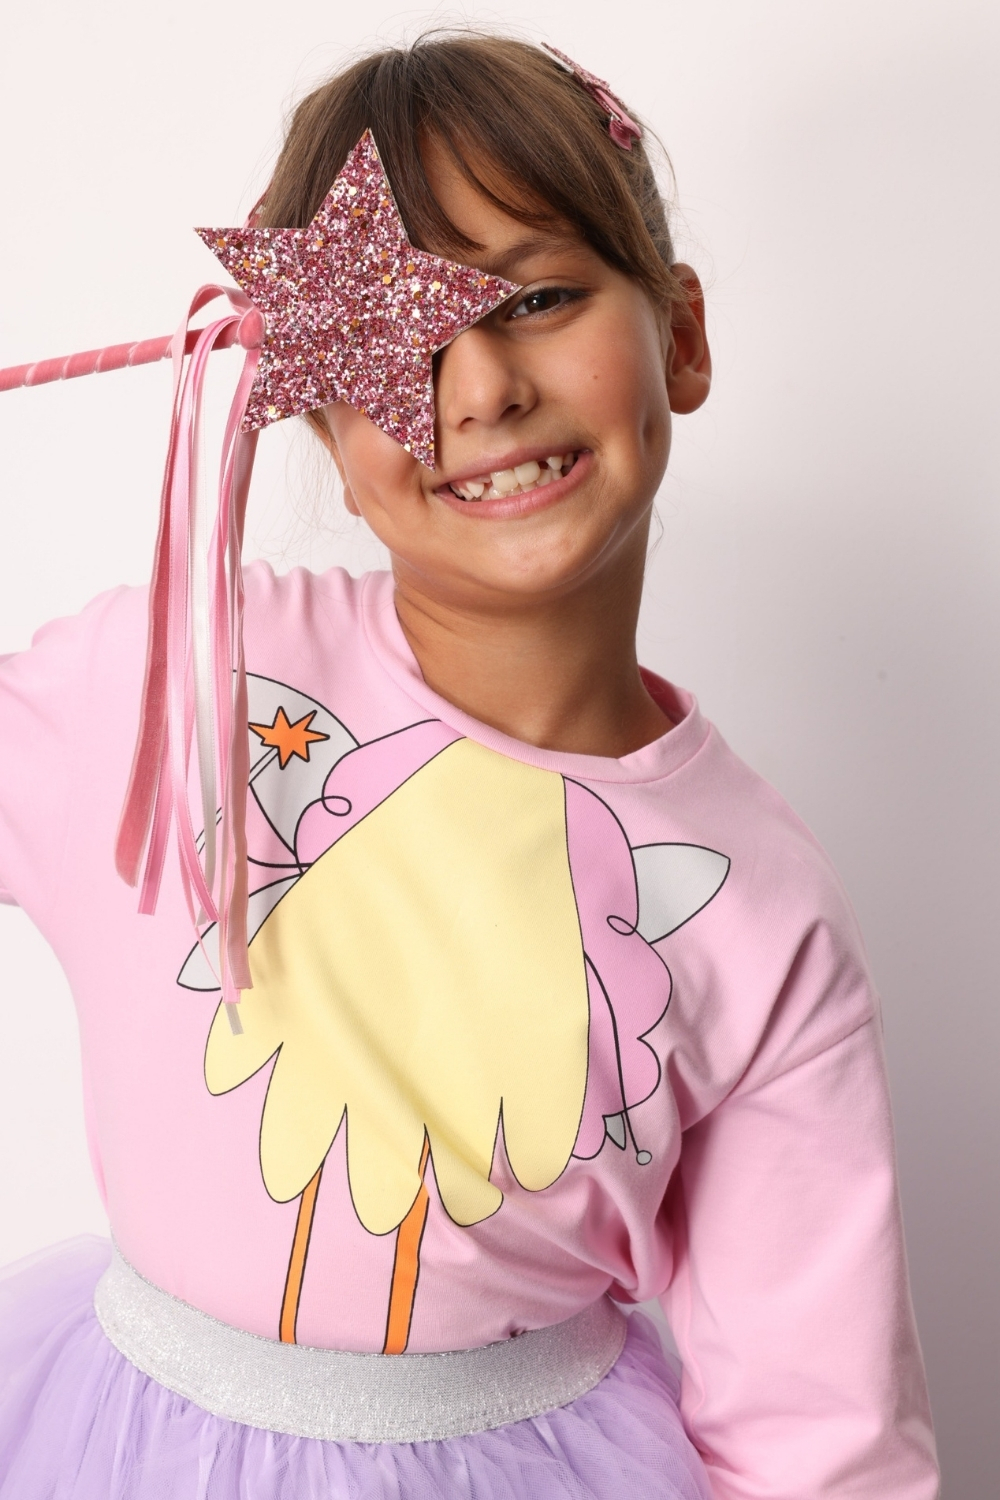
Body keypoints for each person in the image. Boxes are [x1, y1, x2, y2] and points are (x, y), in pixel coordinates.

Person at [0, 30, 939, 1500]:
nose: (481, 387)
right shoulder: (172, 677)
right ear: (311, 410)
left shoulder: (759, 913)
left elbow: (821, 1441)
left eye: (539, 297)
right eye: (390, 341)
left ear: (682, 334)